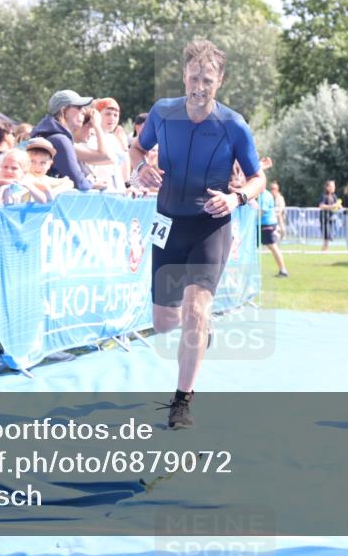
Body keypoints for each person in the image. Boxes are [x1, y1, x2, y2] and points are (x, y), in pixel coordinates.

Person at [130, 39, 265, 429]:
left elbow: (258, 177)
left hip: (211, 223)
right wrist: (140, 169)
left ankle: (181, 402)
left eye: (207, 78)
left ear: (219, 80)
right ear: (184, 76)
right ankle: (202, 329)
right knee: (164, 322)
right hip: (168, 223)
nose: (199, 85)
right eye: (194, 77)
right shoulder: (162, 112)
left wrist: (237, 198)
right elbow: (138, 149)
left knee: (194, 311)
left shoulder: (233, 125)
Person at [31, 89, 106, 191]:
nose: (84, 111)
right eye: (79, 107)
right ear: (64, 111)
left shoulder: (48, 136)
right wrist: (92, 184)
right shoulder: (60, 141)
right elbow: (78, 182)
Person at [259, 178, 289, 277]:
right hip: (265, 224)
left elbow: (261, 211)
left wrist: (250, 218)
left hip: (266, 224)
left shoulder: (264, 196)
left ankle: (283, 270)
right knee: (272, 247)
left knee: (273, 246)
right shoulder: (264, 194)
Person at [318, 179, 341, 251]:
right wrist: (332, 206)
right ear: (327, 187)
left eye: (334, 186)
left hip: (332, 217)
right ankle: (324, 250)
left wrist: (339, 206)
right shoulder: (324, 195)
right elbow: (321, 206)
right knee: (326, 235)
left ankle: (326, 249)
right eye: (331, 186)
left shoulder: (334, 196)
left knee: (329, 235)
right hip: (325, 217)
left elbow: (337, 204)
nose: (333, 188)